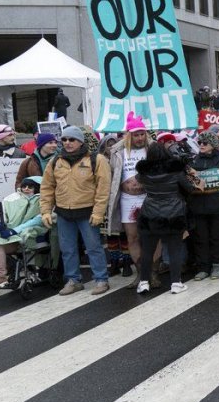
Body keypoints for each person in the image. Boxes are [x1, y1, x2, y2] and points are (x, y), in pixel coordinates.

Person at [40, 126, 112, 296]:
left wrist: (98, 212)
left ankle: (101, 279)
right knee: (67, 248)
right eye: (64, 140)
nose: (67, 143)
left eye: (71, 139)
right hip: (64, 211)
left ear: (80, 141)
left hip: (87, 211)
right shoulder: (55, 161)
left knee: (93, 247)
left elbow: (103, 188)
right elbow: (47, 187)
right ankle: (73, 279)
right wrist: (45, 211)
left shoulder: (97, 159)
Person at [134, 142, 198, 294]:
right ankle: (176, 283)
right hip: (174, 213)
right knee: (175, 249)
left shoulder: (143, 172)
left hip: (150, 213)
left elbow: (140, 183)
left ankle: (143, 282)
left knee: (148, 250)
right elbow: (190, 188)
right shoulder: (176, 170)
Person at [106, 113, 152, 281]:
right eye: (136, 134)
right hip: (127, 199)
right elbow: (112, 174)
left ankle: (151, 272)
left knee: (151, 235)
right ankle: (141, 274)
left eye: (142, 134)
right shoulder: (118, 152)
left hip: (148, 199)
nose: (139, 138)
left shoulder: (151, 149)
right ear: (129, 135)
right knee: (132, 237)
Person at [189, 131, 219, 280]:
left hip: (217, 205)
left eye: (205, 143)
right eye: (200, 143)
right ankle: (203, 267)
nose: (201, 145)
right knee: (201, 238)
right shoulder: (193, 161)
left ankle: (217, 265)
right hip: (198, 206)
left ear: (213, 145)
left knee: (217, 237)